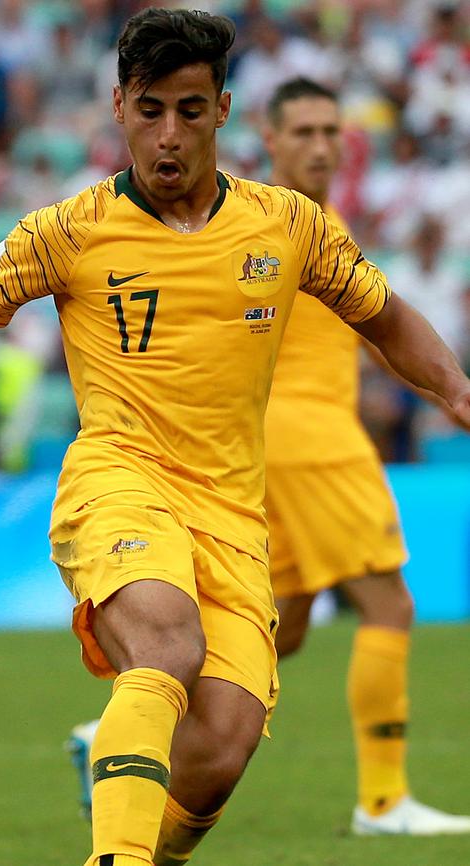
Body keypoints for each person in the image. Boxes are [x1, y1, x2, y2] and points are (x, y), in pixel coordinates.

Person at [0, 10, 470, 866]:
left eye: (191, 112)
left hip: (233, 513)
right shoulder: (70, 230)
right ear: (119, 106)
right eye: (151, 110)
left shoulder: (287, 227)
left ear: (224, 111)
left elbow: (384, 317)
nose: (170, 136)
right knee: (167, 644)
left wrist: (457, 389)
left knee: (220, 748)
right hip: (119, 481)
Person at [262, 77, 470, 836]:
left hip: (273, 449)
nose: (320, 146)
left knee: (280, 631)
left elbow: (374, 331)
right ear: (269, 139)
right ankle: (383, 801)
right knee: (389, 604)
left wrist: (432, 386)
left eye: (330, 131)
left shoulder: (322, 225)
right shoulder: (271, 223)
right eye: (304, 131)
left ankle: (127, 739)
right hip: (315, 441)